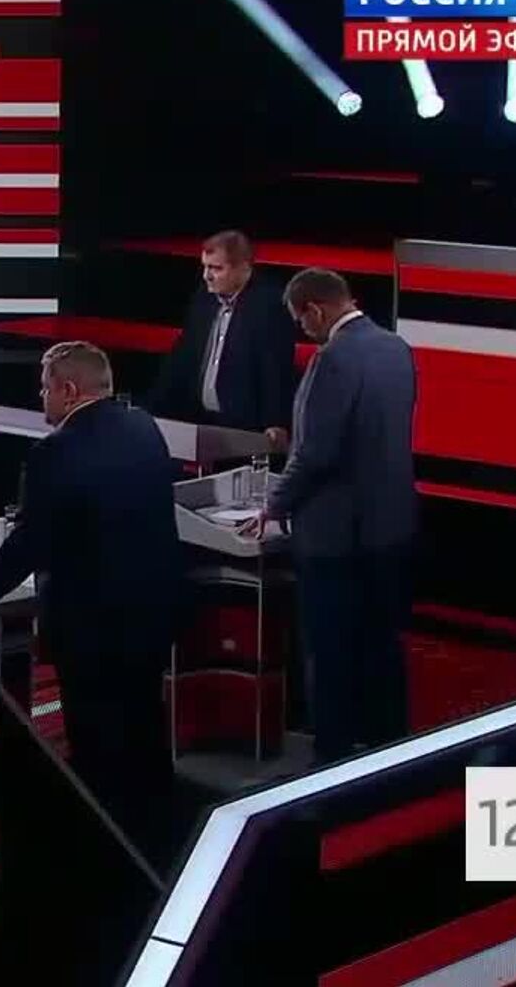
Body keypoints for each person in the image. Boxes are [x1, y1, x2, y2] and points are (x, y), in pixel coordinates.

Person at [0, 342, 184, 845]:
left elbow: (30, 541)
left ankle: (105, 844)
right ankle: (163, 837)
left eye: (45, 387)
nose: (41, 396)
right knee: (144, 726)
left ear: (69, 390)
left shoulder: (55, 452)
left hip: (92, 626)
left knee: (97, 742)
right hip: (151, 613)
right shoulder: (143, 427)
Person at [243, 269, 417, 764]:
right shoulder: (396, 348)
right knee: (382, 643)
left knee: (330, 648)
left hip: (336, 537)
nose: (304, 331)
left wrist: (274, 505)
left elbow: (316, 452)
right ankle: (390, 746)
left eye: (302, 321)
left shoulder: (333, 359)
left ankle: (331, 758)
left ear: (315, 310)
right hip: (391, 527)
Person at [147, 230, 296, 450]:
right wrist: (152, 410)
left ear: (243, 268)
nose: (206, 276)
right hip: (200, 422)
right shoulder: (204, 299)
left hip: (245, 428)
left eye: (216, 268)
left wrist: (276, 422)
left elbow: (276, 369)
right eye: (205, 267)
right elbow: (183, 357)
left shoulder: (270, 306)